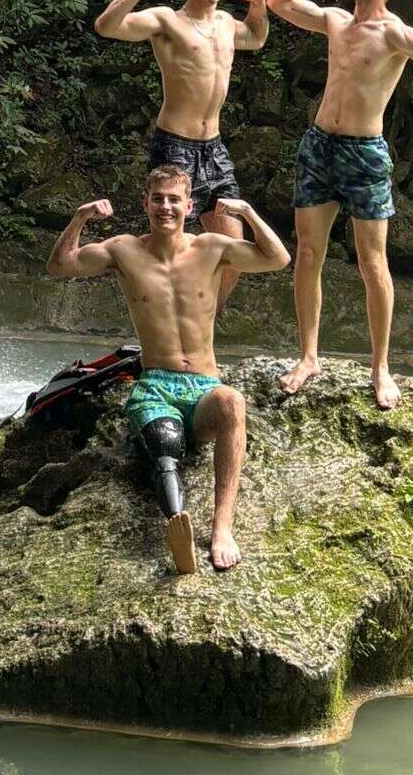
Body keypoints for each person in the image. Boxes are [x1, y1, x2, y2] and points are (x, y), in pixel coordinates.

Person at [47, 165, 290, 573]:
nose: (165, 206)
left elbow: (278, 259)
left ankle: (222, 528)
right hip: (156, 383)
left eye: (174, 199)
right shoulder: (124, 250)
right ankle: (177, 531)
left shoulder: (212, 248)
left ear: (189, 206)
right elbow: (61, 266)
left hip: (204, 385)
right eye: (158, 198)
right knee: (165, 445)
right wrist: (81, 217)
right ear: (145, 203)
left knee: (232, 402)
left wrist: (246, 213)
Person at [266, 0, 413, 411]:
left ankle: (381, 368)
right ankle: (308, 357)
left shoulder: (396, 34)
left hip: (364, 152)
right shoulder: (336, 21)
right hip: (319, 146)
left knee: (372, 262)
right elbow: (280, 3)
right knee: (309, 252)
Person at [94, 0, 269, 311]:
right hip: (175, 145)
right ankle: (165, 326)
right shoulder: (166, 20)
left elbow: (255, 37)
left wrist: (259, 3)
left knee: (234, 246)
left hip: (214, 148)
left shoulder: (224, 24)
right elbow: (106, 26)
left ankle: (205, 323)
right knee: (172, 247)